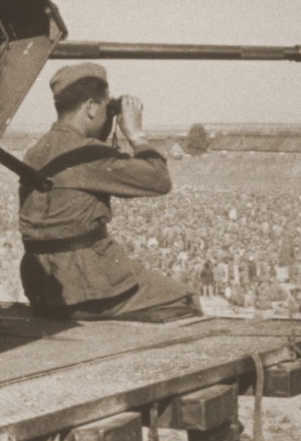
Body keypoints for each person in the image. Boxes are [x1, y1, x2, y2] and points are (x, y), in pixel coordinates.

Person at [18, 62, 200, 321]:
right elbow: (159, 180)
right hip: (88, 286)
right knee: (185, 299)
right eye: (105, 108)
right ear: (91, 107)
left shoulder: (36, 151)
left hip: (42, 288)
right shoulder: (86, 153)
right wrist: (137, 135)